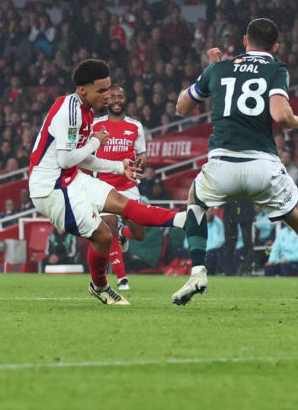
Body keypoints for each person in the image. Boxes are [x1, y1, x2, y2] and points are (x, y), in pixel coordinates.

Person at [171, 18, 298, 314]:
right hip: (262, 166)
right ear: (276, 46)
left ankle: (197, 272)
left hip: (222, 165)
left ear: (244, 40)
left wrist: (209, 73)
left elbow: (181, 107)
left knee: (195, 201)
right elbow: (281, 115)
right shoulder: (276, 69)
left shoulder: (219, 67)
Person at [28, 59, 188, 306]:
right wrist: (95, 143)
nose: (107, 95)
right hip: (51, 189)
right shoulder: (70, 111)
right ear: (83, 90)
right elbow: (67, 157)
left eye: (109, 88)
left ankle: (181, 219)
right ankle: (100, 287)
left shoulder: (87, 110)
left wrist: (117, 167)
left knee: (121, 202)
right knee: (103, 236)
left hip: (71, 177)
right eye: (101, 90)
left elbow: (80, 159)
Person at [92, 84, 148, 291]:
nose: (116, 100)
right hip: (103, 185)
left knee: (140, 232)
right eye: (112, 97)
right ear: (107, 100)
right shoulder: (96, 124)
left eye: (120, 97)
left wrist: (142, 160)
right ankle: (122, 279)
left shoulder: (135, 126)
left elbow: (142, 153)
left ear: (126, 100)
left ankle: (126, 233)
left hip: (129, 184)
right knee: (109, 225)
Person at [221, 196, 256, 275]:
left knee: (247, 240)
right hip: (231, 204)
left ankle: (248, 268)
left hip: (244, 202)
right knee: (229, 241)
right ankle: (228, 269)